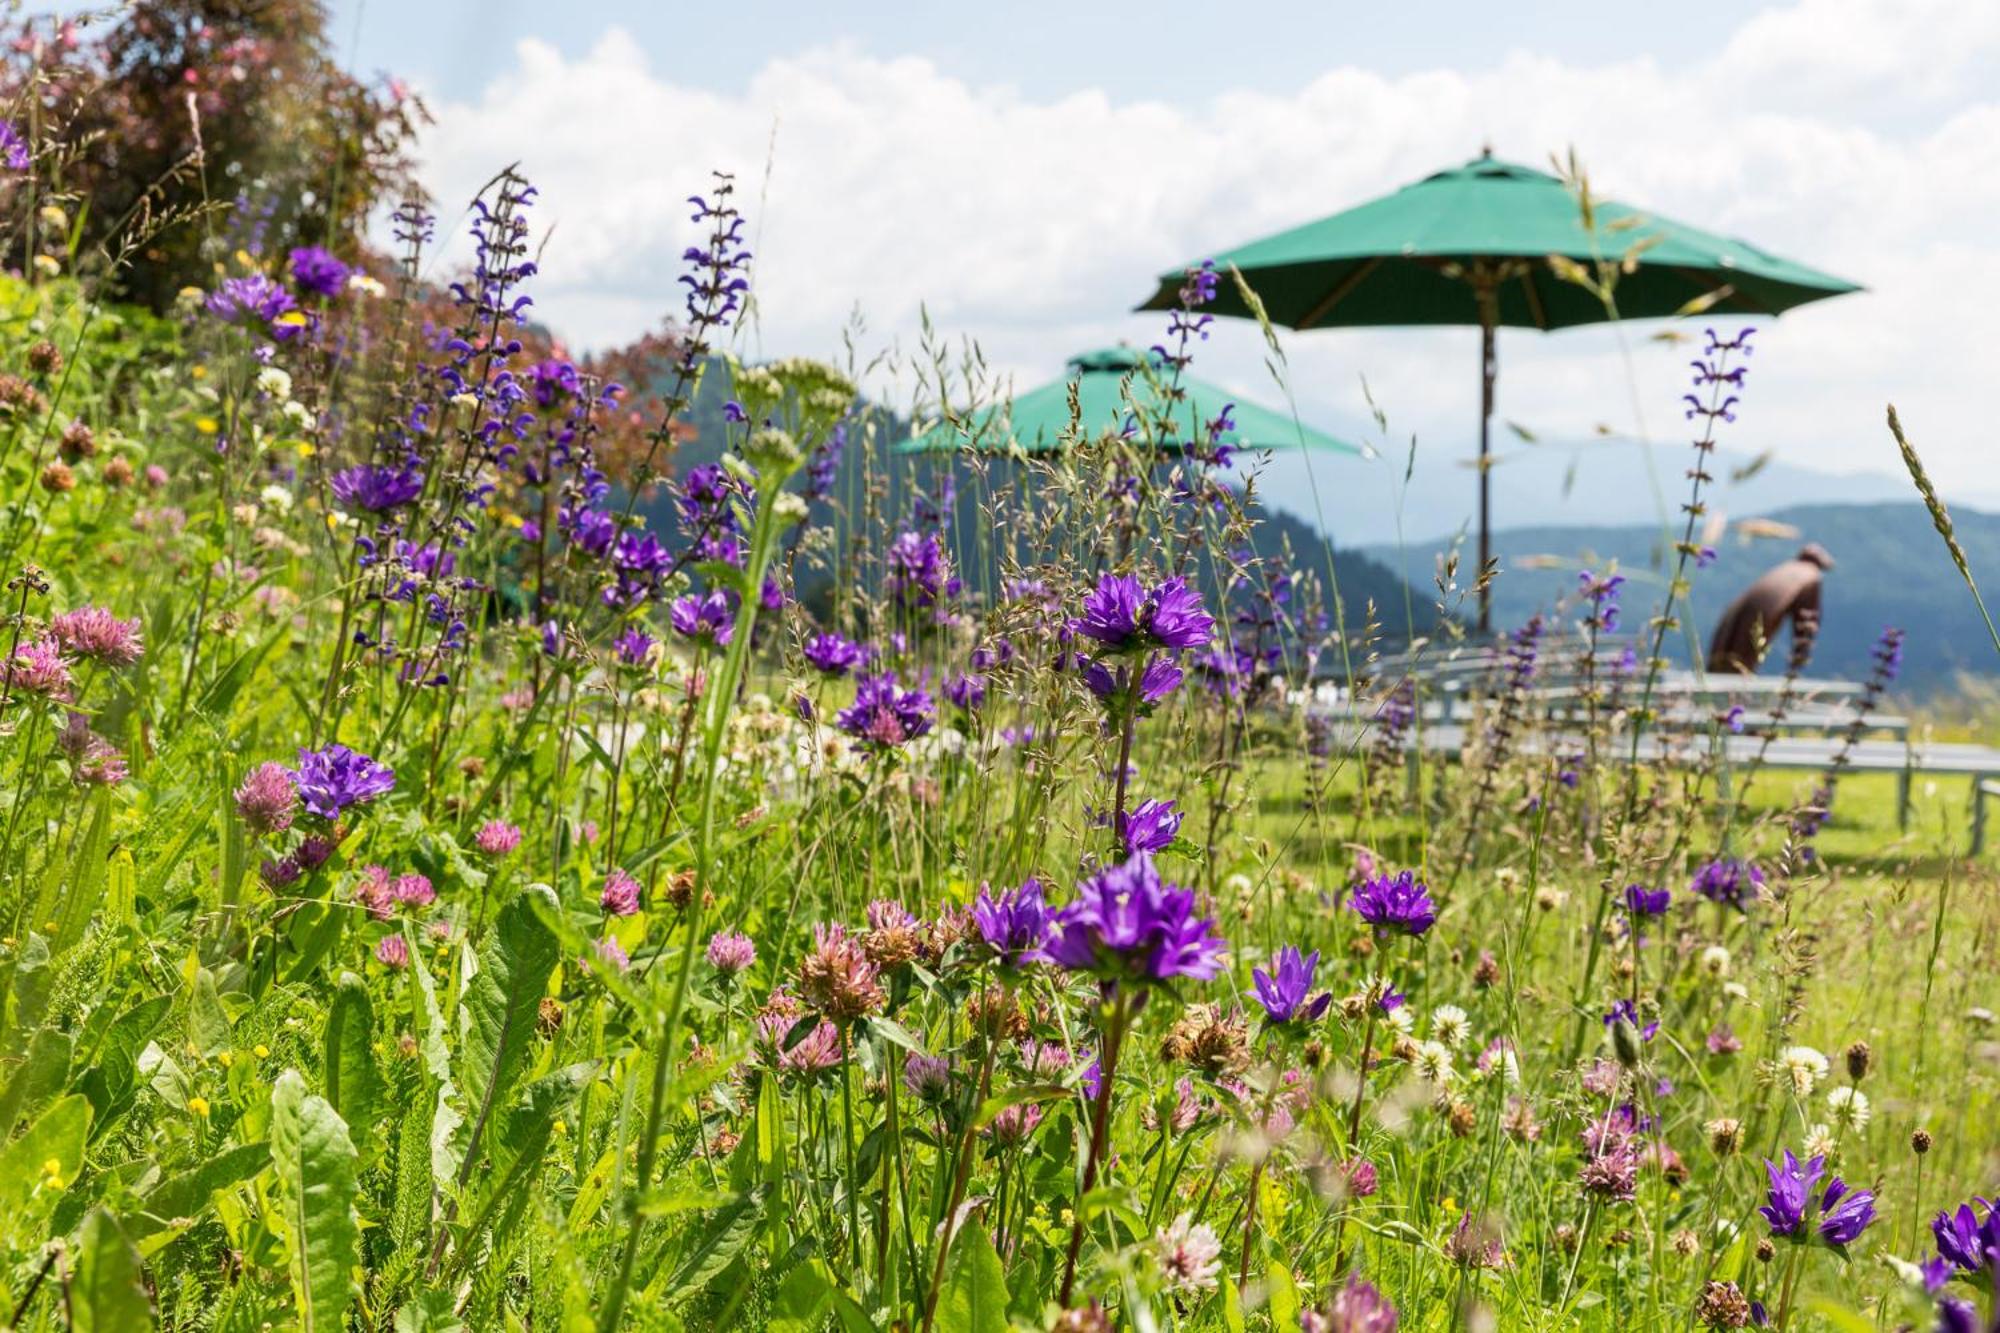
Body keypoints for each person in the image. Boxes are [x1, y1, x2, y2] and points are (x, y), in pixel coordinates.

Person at [1706, 543, 1834, 674]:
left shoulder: (1785, 569)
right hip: (1760, 619)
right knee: (1740, 668)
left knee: (1723, 664)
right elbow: (1806, 622)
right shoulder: (1811, 576)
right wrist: (1797, 663)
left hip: (1732, 619)